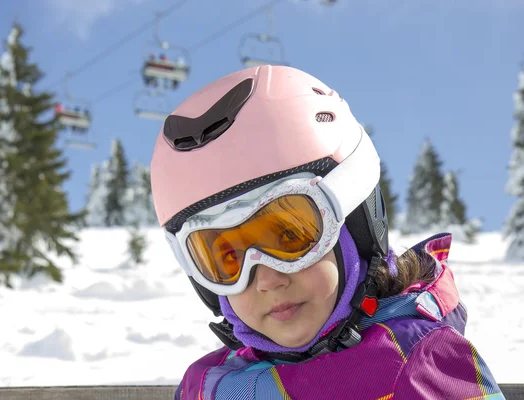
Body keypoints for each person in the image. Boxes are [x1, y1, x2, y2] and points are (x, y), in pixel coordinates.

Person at [149, 65, 504, 399]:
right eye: (227, 259)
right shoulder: (206, 384)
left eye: (290, 238)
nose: (267, 279)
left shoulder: (419, 363)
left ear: (355, 224)